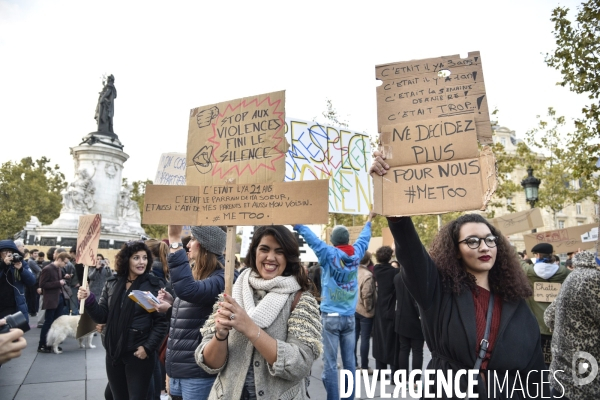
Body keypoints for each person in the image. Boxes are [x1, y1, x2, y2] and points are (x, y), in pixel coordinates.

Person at [370, 153, 549, 398]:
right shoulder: (437, 292)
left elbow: (535, 373)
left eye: (489, 240)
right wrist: (390, 189)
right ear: (455, 250)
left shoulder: (515, 300)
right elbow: (410, 250)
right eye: (472, 241)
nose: (484, 247)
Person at [196, 225, 322, 400]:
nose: (271, 257)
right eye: (264, 249)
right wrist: (220, 335)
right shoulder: (231, 294)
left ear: (289, 257)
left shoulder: (301, 299)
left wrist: (250, 328)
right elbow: (210, 364)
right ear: (254, 252)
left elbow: (299, 364)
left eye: (279, 251)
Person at [294, 216, 372, 400]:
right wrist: (369, 221)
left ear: (333, 241)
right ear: (347, 240)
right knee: (349, 363)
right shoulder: (357, 252)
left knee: (329, 364)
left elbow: (312, 239)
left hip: (330, 315)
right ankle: (349, 397)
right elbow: (364, 238)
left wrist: (298, 224)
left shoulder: (328, 253)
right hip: (349, 317)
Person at [78, 241, 168, 400]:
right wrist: (89, 299)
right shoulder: (112, 283)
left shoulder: (154, 284)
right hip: (113, 351)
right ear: (126, 259)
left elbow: (161, 322)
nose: (142, 262)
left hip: (138, 353)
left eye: (145, 258)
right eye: (136, 257)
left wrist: (147, 348)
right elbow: (102, 316)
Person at [153, 225, 229, 400]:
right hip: (179, 369)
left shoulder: (223, 278)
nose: (188, 245)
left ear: (204, 245)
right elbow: (193, 310)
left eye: (193, 239)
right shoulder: (199, 275)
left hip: (198, 373)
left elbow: (188, 290)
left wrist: (174, 240)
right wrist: (171, 305)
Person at [544, 250, 600, 399]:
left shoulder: (576, 274)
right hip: (585, 381)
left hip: (564, 373)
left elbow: (549, 315)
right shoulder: (594, 279)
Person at [521, 242, 570, 366]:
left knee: (537, 358)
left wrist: (508, 244)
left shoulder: (529, 271)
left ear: (537, 255)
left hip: (536, 324)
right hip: (557, 324)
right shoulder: (564, 272)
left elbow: (517, 262)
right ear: (552, 255)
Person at [393, 264, 424, 389]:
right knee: (417, 351)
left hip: (401, 318)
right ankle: (415, 381)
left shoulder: (397, 277)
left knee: (403, 349)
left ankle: (403, 379)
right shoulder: (417, 279)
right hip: (416, 320)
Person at [371, 246, 399, 372]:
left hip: (379, 309)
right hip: (391, 307)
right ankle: (394, 372)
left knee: (379, 340)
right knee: (393, 341)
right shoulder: (394, 272)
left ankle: (380, 371)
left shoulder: (376, 270)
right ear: (390, 257)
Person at [38, 252, 69, 353]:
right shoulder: (47, 269)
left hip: (58, 297)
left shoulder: (58, 269)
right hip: (51, 299)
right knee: (48, 322)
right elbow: (42, 284)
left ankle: (52, 344)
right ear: (59, 259)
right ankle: (42, 344)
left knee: (56, 323)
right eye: (65, 262)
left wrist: (60, 282)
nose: (65, 265)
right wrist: (58, 283)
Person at [0, 240, 35, 322]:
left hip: (15, 306)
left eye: (10, 251)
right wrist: (3, 265)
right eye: (5, 251)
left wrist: (21, 269)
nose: (8, 254)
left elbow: (32, 281)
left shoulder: (20, 262)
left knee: (17, 332)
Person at [355, 251, 376, 374]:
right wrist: (369, 308)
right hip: (364, 311)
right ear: (368, 260)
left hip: (353, 308)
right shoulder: (368, 275)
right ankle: (364, 366)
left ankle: (353, 363)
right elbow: (367, 294)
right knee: (365, 339)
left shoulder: (351, 273)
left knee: (353, 337)